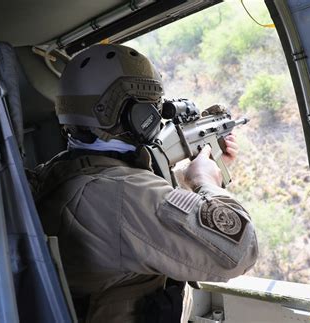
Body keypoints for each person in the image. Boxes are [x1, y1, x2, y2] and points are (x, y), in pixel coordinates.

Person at [35, 43, 258, 323]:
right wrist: (205, 180)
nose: (158, 114)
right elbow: (240, 251)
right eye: (153, 106)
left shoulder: (60, 171)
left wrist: (190, 174)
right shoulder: (123, 194)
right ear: (135, 115)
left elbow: (145, 208)